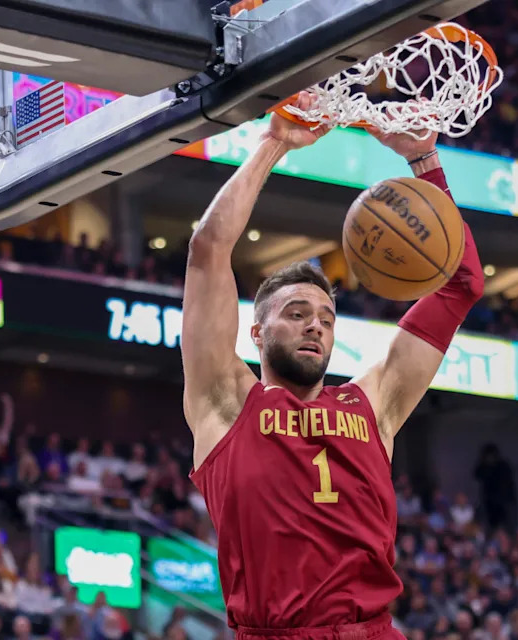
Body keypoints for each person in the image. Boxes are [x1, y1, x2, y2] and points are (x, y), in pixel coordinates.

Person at [183, 92, 484, 638]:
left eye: (324, 315)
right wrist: (273, 144)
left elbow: (461, 283)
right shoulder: (226, 403)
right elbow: (208, 248)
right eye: (296, 313)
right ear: (257, 333)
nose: (314, 324)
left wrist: (424, 163)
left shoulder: (372, 403)